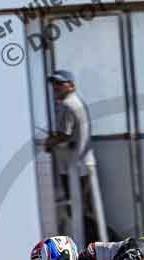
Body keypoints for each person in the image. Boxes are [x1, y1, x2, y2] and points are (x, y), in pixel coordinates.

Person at [43, 70, 108, 242]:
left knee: (78, 209)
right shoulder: (75, 102)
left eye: (60, 83)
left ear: (71, 86)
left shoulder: (67, 105)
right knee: (83, 208)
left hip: (75, 167)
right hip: (82, 164)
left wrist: (49, 143)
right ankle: (95, 244)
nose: (55, 87)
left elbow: (64, 134)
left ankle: (93, 245)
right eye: (54, 84)